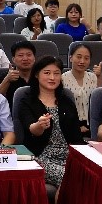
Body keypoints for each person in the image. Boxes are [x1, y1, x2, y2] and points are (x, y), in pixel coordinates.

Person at [15, 56, 85, 193]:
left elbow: (76, 136)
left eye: (56, 73)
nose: (52, 77)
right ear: (37, 75)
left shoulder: (66, 101)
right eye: (47, 73)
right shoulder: (27, 101)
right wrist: (39, 125)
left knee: (89, 176)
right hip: (40, 156)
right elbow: (32, 129)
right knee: (70, 179)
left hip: (68, 156)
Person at [62, 44, 100, 134]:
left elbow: (98, 103)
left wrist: (99, 77)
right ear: (71, 58)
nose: (82, 61)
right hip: (70, 125)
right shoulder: (62, 78)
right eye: (79, 57)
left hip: (92, 124)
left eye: (86, 58)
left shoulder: (93, 77)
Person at [0, 40, 36, 107]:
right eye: (20, 55)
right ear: (13, 59)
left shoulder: (40, 76)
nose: (25, 59)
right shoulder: (5, 76)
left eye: (29, 55)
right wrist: (7, 80)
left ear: (34, 58)